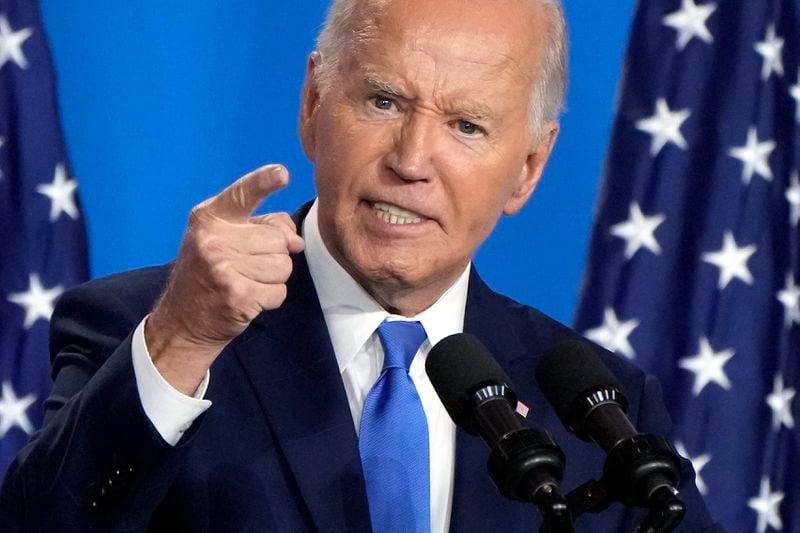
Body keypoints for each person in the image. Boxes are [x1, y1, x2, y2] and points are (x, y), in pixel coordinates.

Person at [0, 0, 722, 530]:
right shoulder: (147, 332)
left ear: (529, 169)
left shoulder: (602, 416)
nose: (410, 162)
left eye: (466, 125)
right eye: (382, 100)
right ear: (314, 102)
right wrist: (183, 339)